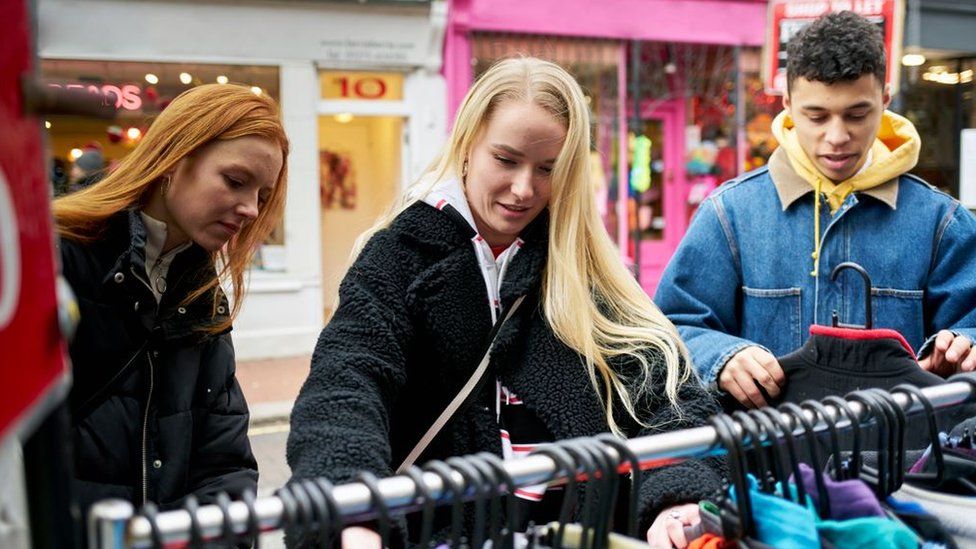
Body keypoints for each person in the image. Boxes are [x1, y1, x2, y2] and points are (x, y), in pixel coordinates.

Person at [287, 57, 724, 548]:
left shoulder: (584, 267)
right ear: (467, 145)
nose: (524, 189)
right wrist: (352, 514)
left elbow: (666, 397)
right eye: (507, 159)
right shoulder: (399, 256)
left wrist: (676, 500)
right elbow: (346, 383)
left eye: (547, 169)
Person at [654, 11, 976, 410]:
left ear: (885, 100)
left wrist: (963, 346)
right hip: (766, 460)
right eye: (817, 116)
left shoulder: (941, 222)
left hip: (901, 462)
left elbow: (971, 324)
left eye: (857, 115)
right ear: (788, 105)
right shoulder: (730, 215)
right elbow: (671, 328)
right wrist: (721, 356)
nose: (837, 137)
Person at [51, 83, 289, 514]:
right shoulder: (58, 261)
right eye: (236, 181)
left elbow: (224, 461)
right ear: (173, 159)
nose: (251, 209)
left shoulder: (202, 295)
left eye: (262, 196)